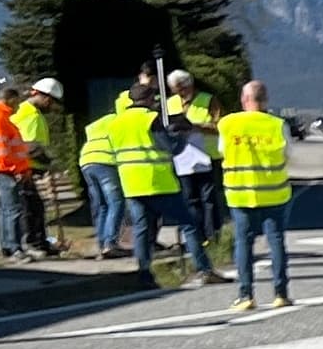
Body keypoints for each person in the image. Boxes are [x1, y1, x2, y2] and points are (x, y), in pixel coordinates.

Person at [90, 84, 185, 283]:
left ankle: (140, 270)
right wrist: (179, 135)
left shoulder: (112, 123)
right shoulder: (149, 119)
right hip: (156, 180)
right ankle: (203, 268)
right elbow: (170, 147)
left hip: (126, 179)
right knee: (189, 224)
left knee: (108, 210)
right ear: (151, 99)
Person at [219, 80, 293, 311]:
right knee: (276, 242)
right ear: (266, 99)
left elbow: (222, 150)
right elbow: (287, 154)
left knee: (243, 243)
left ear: (244, 99)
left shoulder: (228, 124)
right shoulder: (277, 124)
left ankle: (245, 295)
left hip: (240, 194)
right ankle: (281, 294)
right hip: (274, 193)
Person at [164, 70, 228, 286]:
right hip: (183, 158)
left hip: (208, 157)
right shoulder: (170, 103)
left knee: (209, 199)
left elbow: (220, 126)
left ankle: (213, 236)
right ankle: (198, 237)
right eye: (175, 90)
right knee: (190, 200)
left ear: (188, 84)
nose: (179, 93)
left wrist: (196, 127)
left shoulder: (208, 100)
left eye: (181, 88)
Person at [0, 85, 38, 263]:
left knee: (7, 209)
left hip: (1, 168)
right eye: (17, 102)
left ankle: (8, 246)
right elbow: (2, 149)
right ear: (10, 100)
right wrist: (15, 169)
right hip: (3, 169)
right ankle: (14, 248)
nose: (19, 106)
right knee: (12, 209)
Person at [78, 88, 132, 261]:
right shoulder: (124, 121)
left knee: (101, 205)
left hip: (86, 161)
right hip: (105, 161)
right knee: (116, 202)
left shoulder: (103, 120)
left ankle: (102, 244)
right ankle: (110, 243)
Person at [14, 78, 63, 255]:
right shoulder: (30, 115)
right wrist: (49, 162)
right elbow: (29, 146)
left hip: (28, 168)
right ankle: (34, 243)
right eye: (50, 101)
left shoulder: (29, 113)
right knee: (31, 209)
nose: (50, 105)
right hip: (25, 169)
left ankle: (40, 242)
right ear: (42, 96)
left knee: (36, 208)